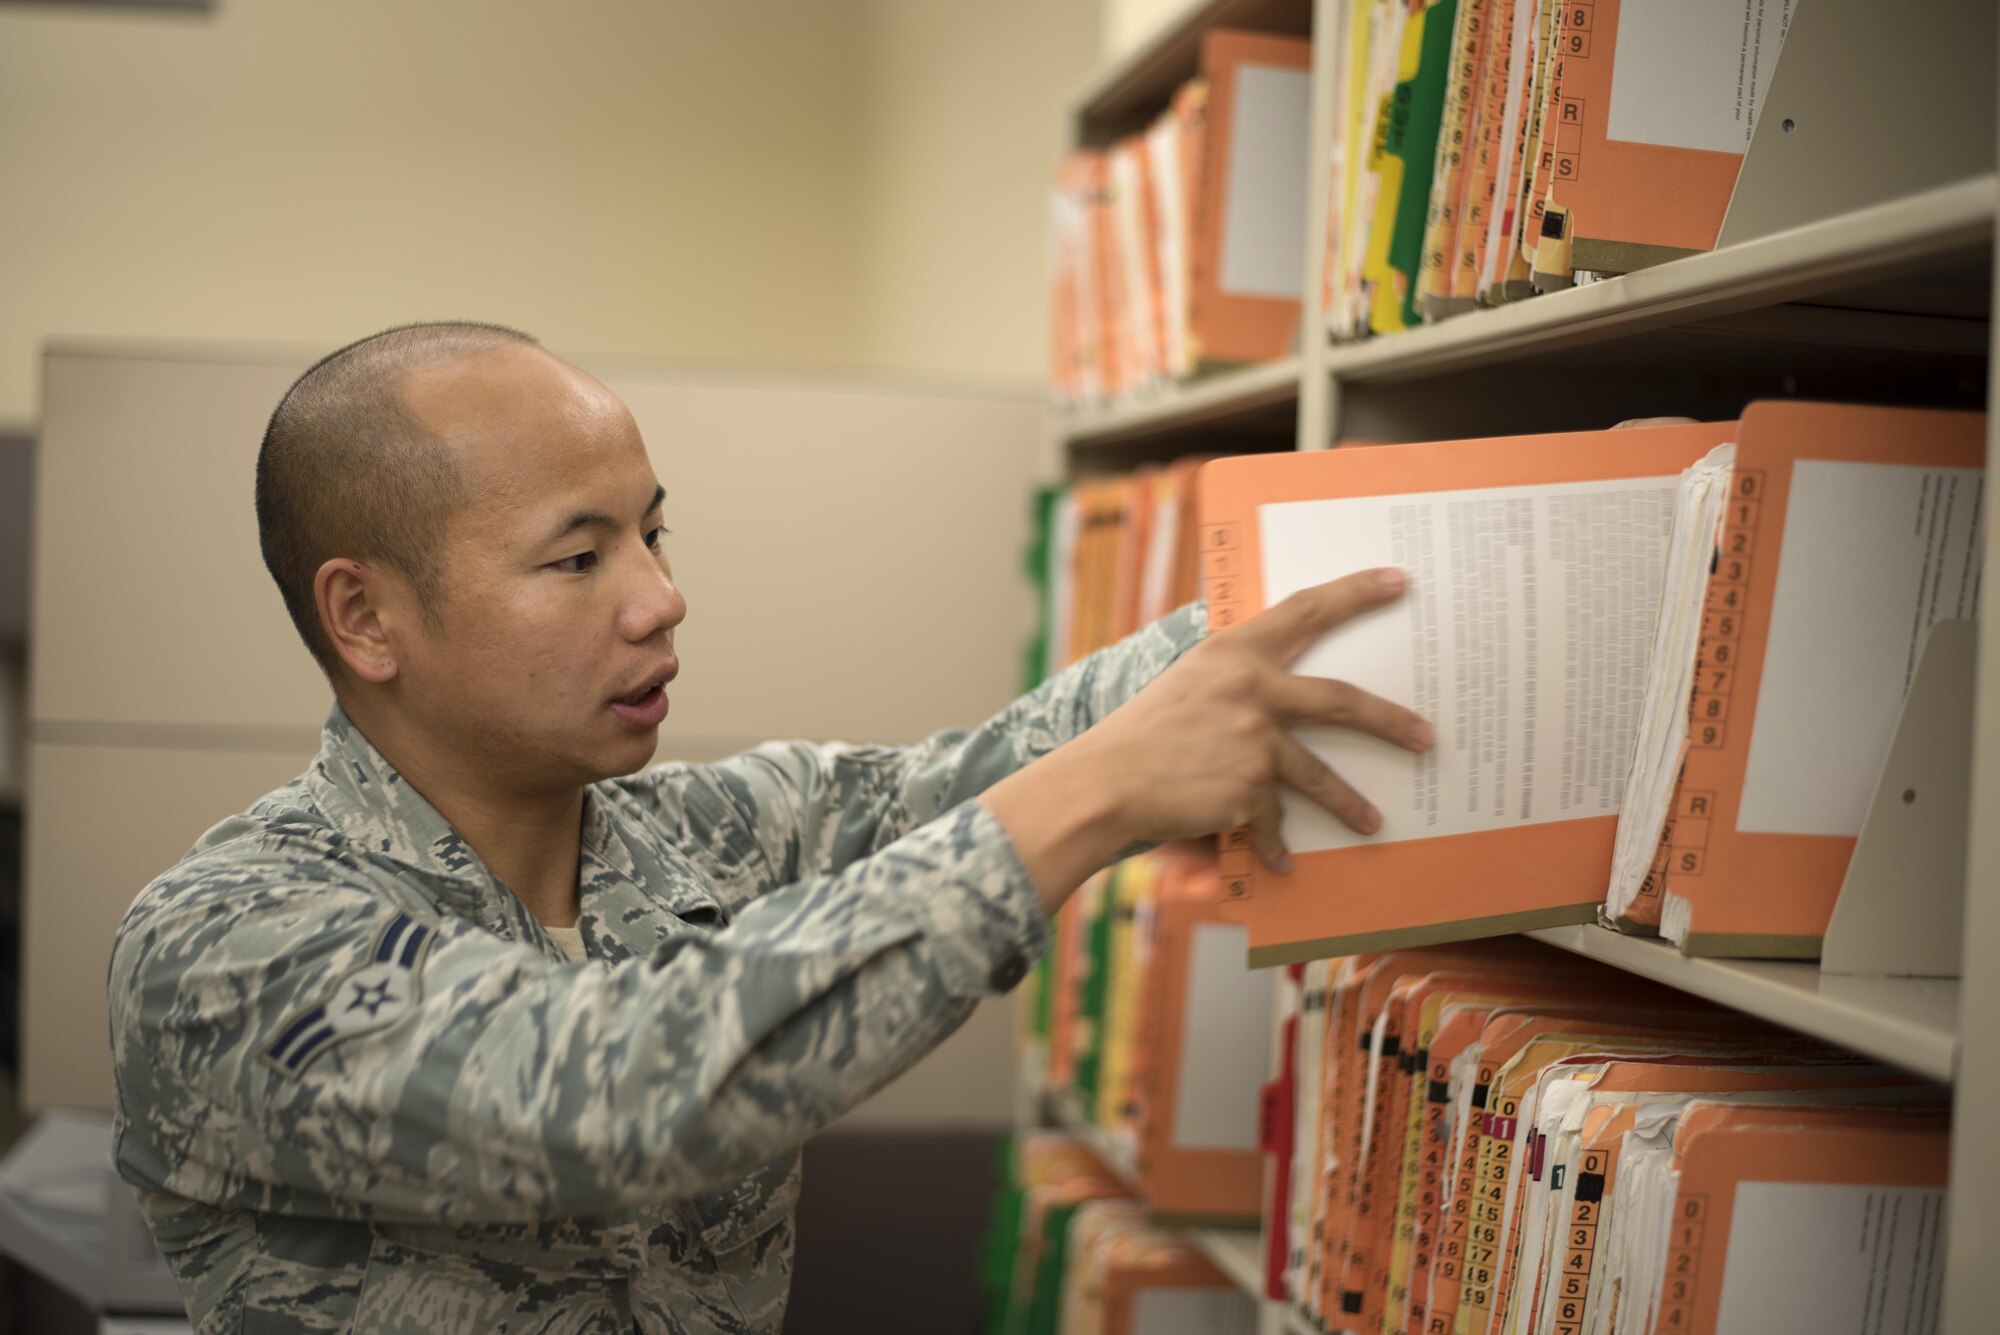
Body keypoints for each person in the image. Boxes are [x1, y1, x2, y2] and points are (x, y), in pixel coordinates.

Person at [107, 322, 1431, 1334]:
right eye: (580, 559)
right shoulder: (221, 946)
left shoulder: (720, 830)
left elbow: (1015, 763)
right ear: (366, 619)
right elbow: (614, 1093)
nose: (661, 598)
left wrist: (1369, 582)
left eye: (656, 534)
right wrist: (1098, 796)